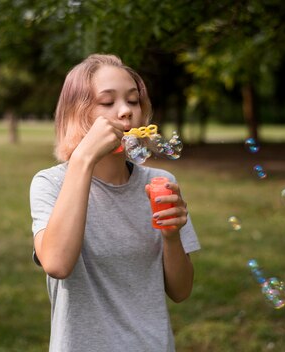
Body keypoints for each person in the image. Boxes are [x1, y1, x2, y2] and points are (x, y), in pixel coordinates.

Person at [29, 53, 200, 351]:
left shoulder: (158, 182)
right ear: (75, 114)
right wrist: (83, 157)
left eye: (133, 101)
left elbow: (181, 290)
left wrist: (172, 238)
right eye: (107, 103)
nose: (125, 112)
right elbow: (56, 264)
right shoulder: (50, 184)